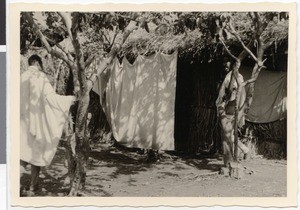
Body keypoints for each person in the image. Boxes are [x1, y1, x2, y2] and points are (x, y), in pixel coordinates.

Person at [20, 54, 76, 195]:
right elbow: (51, 98)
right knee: (36, 155)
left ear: (29, 64)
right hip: (37, 123)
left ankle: (15, 185)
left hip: (21, 123)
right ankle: (33, 187)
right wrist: (69, 100)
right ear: (38, 63)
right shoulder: (41, 78)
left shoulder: (21, 77)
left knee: (21, 154)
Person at [216, 61, 249, 167]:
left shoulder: (238, 77)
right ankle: (243, 151)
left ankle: (242, 151)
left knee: (229, 135)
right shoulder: (228, 76)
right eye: (225, 66)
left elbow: (239, 93)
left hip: (233, 109)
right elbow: (224, 92)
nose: (226, 68)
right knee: (229, 135)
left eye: (228, 66)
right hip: (227, 108)